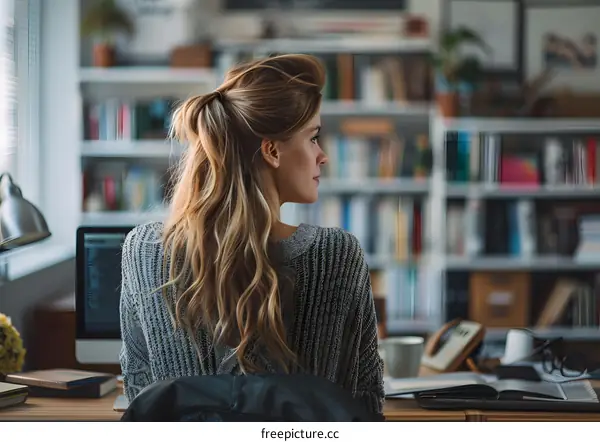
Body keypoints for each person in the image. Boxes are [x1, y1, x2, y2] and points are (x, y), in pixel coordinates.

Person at [118, 54, 385, 416]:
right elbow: (364, 403)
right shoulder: (337, 254)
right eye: (313, 138)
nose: (322, 156)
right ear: (272, 150)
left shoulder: (143, 249)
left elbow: (139, 395)